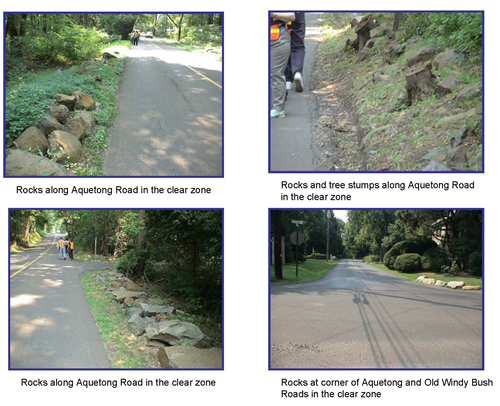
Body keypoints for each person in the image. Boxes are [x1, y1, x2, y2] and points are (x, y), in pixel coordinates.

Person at [270, 12, 295, 118]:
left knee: (275, 73)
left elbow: (291, 16)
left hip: (277, 40)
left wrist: (274, 14)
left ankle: (277, 109)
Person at [285, 12, 306, 93]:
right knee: (298, 45)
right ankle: (297, 72)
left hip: (283, 14)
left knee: (285, 43)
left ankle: (287, 79)